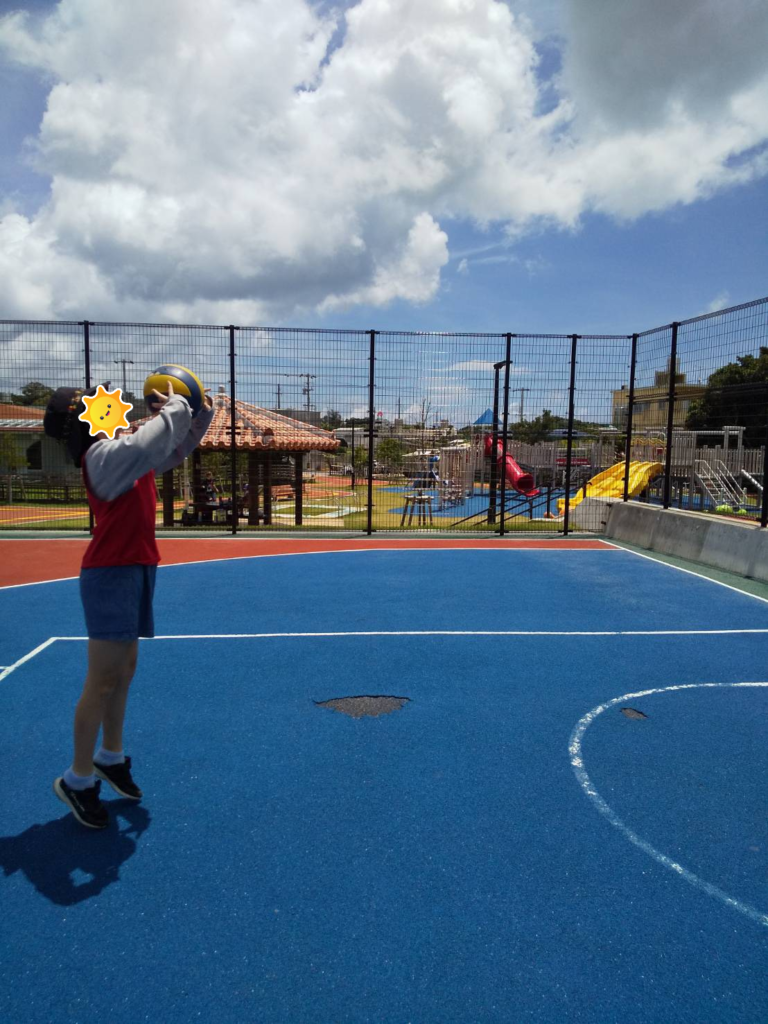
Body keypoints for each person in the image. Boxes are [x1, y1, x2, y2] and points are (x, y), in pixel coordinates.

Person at [44, 380, 214, 829]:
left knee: (123, 673)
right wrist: (175, 405)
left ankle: (110, 757)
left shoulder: (127, 456)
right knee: (102, 680)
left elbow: (174, 448)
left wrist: (200, 415)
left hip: (136, 568)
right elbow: (150, 441)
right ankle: (77, 779)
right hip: (111, 573)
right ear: (85, 421)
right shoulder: (102, 458)